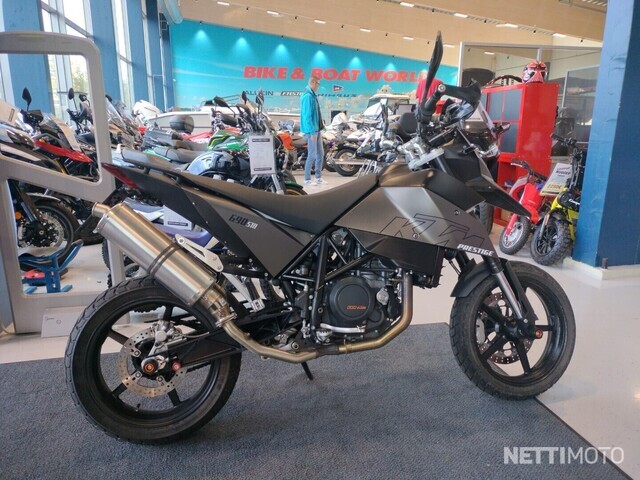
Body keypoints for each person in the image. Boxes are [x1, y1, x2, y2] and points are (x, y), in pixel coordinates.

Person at [300, 75, 327, 186]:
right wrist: (312, 132)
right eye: (318, 84)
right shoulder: (307, 96)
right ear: (313, 83)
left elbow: (316, 114)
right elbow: (307, 116)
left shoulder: (312, 95)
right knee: (312, 155)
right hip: (312, 131)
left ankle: (318, 177)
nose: (318, 86)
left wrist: (322, 127)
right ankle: (307, 179)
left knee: (321, 154)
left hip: (317, 129)